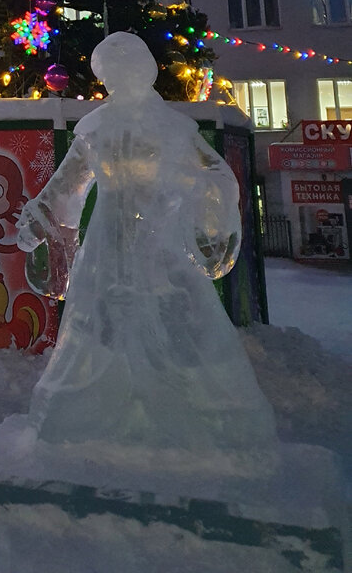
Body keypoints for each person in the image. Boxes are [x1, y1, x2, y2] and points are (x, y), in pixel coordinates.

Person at [18, 31, 277, 464]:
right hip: (107, 241)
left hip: (162, 239)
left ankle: (202, 412)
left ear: (144, 69)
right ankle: (92, 408)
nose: (117, 81)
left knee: (178, 315)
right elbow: (66, 185)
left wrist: (197, 195)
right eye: (109, 75)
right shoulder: (95, 127)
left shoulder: (176, 128)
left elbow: (215, 174)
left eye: (125, 70)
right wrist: (39, 216)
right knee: (97, 320)